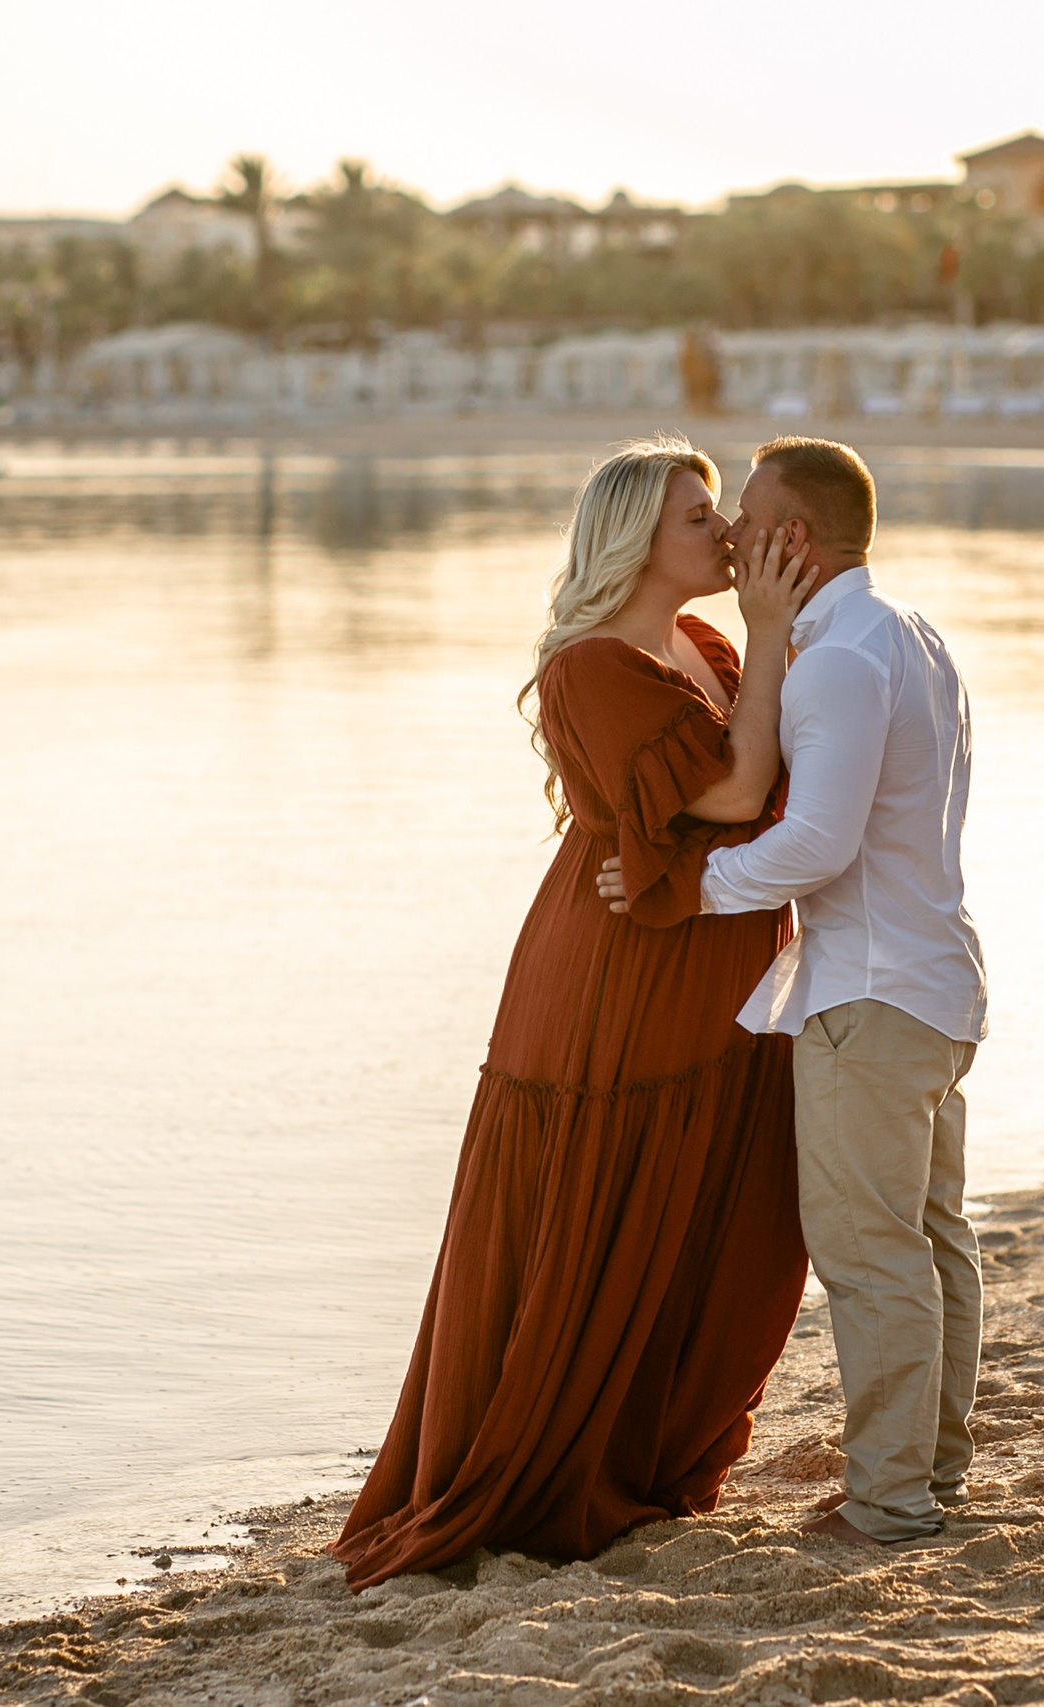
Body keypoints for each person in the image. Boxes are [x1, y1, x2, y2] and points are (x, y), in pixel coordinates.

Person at [331, 438, 821, 1590]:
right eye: (699, 519)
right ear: (635, 542)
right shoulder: (593, 667)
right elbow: (739, 792)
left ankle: (643, 1444)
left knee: (718, 1214)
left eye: (718, 513)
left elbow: (775, 778)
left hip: (710, 963)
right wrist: (768, 638)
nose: (726, 536)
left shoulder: (698, 643)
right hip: (619, 978)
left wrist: (757, 644)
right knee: (609, 1207)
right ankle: (557, 1459)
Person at [599, 437, 988, 1549]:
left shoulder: (833, 662)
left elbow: (816, 841)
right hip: (931, 982)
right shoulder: (904, 631)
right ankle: (931, 1474)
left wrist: (679, 888)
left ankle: (892, 1500)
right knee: (927, 1238)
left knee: (871, 1254)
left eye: (748, 517)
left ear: (795, 539)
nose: (730, 536)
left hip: (868, 996)